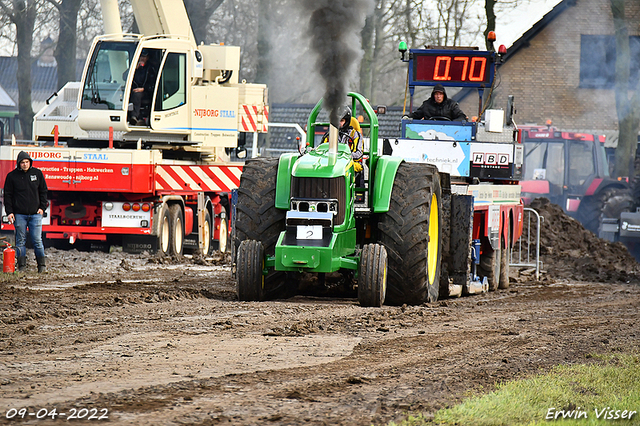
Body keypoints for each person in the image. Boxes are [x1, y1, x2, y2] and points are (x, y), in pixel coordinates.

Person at [3, 151, 48, 273]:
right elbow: (8, 195)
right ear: (18, 163)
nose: (25, 164)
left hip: (35, 214)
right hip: (19, 215)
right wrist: (9, 212)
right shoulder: (12, 176)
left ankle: (42, 267)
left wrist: (42, 208)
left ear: (30, 162)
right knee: (20, 241)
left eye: (27, 162)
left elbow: (44, 191)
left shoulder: (37, 174)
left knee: (37, 241)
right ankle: (22, 266)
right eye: (22, 162)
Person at [128, 49, 156, 126]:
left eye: (144, 57)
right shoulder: (135, 67)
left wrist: (143, 89)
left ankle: (134, 116)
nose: (142, 59)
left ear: (147, 58)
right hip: (133, 90)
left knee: (137, 95)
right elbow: (124, 77)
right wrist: (134, 69)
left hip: (146, 91)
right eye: (141, 57)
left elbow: (153, 83)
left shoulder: (150, 69)